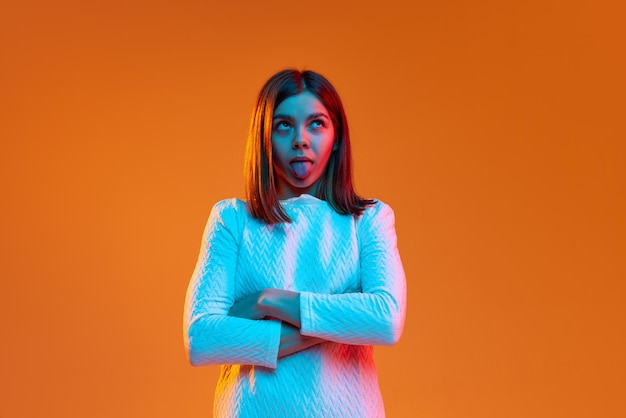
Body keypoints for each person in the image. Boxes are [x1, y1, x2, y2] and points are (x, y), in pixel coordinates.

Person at [183, 69, 406, 417]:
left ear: (337, 139)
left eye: (316, 124)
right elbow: (202, 339)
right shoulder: (232, 220)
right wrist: (343, 319)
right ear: (264, 138)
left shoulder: (368, 220)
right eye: (284, 125)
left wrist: (265, 301)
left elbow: (386, 319)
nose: (301, 139)